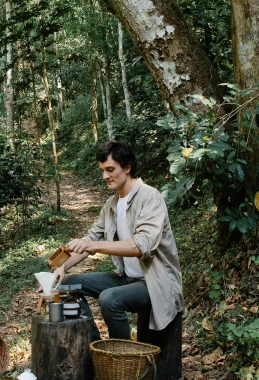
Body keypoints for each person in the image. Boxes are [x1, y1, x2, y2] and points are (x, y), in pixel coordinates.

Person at [56, 140, 183, 340]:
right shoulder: (111, 204)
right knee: (66, 285)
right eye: (102, 171)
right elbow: (90, 238)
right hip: (127, 278)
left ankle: (122, 356)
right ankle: (95, 349)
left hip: (155, 282)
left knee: (109, 298)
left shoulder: (150, 197)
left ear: (127, 167)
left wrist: (96, 246)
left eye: (110, 169)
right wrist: (62, 269)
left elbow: (142, 245)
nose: (105, 176)